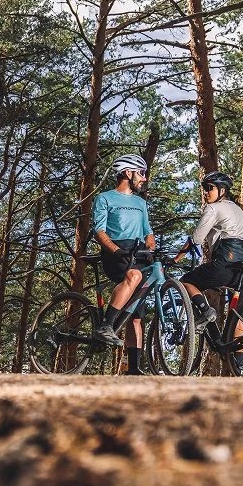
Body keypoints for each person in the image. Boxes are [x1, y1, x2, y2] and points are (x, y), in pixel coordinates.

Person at [172, 170, 243, 371]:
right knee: (238, 317)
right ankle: (239, 367)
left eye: (209, 188)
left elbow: (197, 239)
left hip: (225, 264)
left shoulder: (213, 208)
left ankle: (206, 311)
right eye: (204, 188)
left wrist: (175, 259)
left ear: (222, 190)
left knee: (186, 281)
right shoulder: (239, 211)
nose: (205, 192)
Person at [91, 153, 155, 375]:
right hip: (116, 252)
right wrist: (116, 250)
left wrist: (150, 247)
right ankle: (106, 326)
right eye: (141, 173)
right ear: (128, 173)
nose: (144, 178)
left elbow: (148, 232)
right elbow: (99, 230)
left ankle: (134, 369)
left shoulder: (140, 203)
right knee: (133, 277)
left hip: (139, 253)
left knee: (136, 316)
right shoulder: (105, 198)